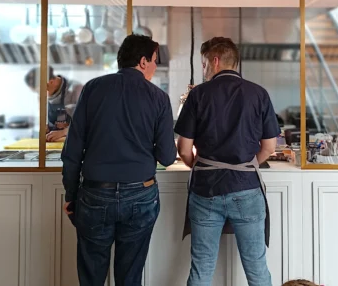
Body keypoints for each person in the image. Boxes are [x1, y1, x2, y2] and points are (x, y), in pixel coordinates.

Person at [61, 34, 177, 286]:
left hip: (94, 194)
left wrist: (71, 194)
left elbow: (73, 149)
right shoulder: (158, 98)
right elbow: (168, 157)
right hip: (141, 194)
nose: (155, 66)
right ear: (143, 61)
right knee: (130, 276)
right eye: (155, 60)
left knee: (91, 275)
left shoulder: (93, 88)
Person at [175, 37, 279, 286]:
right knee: (256, 268)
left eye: (204, 64)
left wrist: (198, 165)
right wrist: (247, 165)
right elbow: (269, 148)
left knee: (201, 267)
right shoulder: (259, 93)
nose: (204, 69)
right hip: (246, 188)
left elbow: (184, 149)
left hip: (206, 189)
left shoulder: (198, 94)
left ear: (215, 60)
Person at [24, 66, 83, 142]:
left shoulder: (77, 89)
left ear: (51, 82)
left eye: (41, 91)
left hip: (74, 142)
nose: (40, 95)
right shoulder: (42, 96)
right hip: (54, 144)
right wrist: (45, 126)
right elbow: (44, 120)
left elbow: (85, 121)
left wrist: (63, 132)